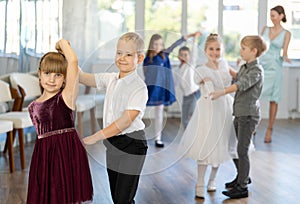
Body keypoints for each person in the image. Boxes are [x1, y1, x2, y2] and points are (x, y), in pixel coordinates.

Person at [79, 32, 148, 204]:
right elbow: (82, 77)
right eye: (119, 53)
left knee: (123, 199)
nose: (122, 58)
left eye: (129, 54)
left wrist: (94, 137)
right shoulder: (110, 79)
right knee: (117, 198)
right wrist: (68, 56)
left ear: (139, 58)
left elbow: (125, 122)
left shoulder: (139, 87)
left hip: (133, 145)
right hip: (112, 144)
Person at [26, 39, 93, 204]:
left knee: (66, 194)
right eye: (47, 73)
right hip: (44, 155)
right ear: (39, 74)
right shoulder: (32, 106)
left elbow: (73, 62)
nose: (52, 79)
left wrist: (63, 45)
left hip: (67, 151)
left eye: (58, 75)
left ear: (64, 79)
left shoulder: (66, 97)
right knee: (49, 195)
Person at [178, 33, 237, 199]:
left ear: (222, 50)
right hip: (207, 110)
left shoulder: (225, 64)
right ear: (205, 50)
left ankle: (212, 179)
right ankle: (200, 182)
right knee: (205, 145)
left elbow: (238, 77)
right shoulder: (201, 69)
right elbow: (197, 81)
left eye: (218, 49)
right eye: (211, 49)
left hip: (224, 109)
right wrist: (206, 79)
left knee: (220, 145)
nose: (215, 52)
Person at [210, 35, 267, 199]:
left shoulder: (256, 70)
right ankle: (242, 177)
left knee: (242, 150)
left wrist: (222, 92)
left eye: (244, 48)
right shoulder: (245, 67)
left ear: (254, 51)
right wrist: (222, 65)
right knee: (236, 148)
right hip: (240, 113)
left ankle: (242, 187)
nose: (241, 51)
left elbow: (241, 84)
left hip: (249, 115)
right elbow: (237, 77)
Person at [143, 32, 196, 147]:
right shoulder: (148, 59)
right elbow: (146, 74)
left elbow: (174, 45)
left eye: (160, 44)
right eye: (155, 44)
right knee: (140, 109)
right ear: (151, 45)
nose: (158, 47)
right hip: (152, 88)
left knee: (159, 112)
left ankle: (158, 138)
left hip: (162, 89)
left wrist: (186, 37)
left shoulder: (164, 55)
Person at [259, 5, 291, 143]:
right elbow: (259, 47)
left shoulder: (287, 33)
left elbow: (284, 53)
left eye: (273, 15)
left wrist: (286, 57)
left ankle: (269, 129)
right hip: (263, 65)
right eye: (270, 15)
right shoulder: (265, 29)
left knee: (274, 98)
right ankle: (253, 125)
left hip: (275, 67)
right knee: (256, 95)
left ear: (281, 16)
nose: (271, 18)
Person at [176, 31, 202, 129]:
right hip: (186, 95)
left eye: (186, 55)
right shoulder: (178, 68)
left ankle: (195, 133)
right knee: (184, 118)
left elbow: (194, 52)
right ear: (178, 57)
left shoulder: (190, 64)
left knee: (192, 114)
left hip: (194, 93)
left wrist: (195, 39)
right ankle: (188, 135)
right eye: (182, 55)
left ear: (189, 56)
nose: (184, 57)